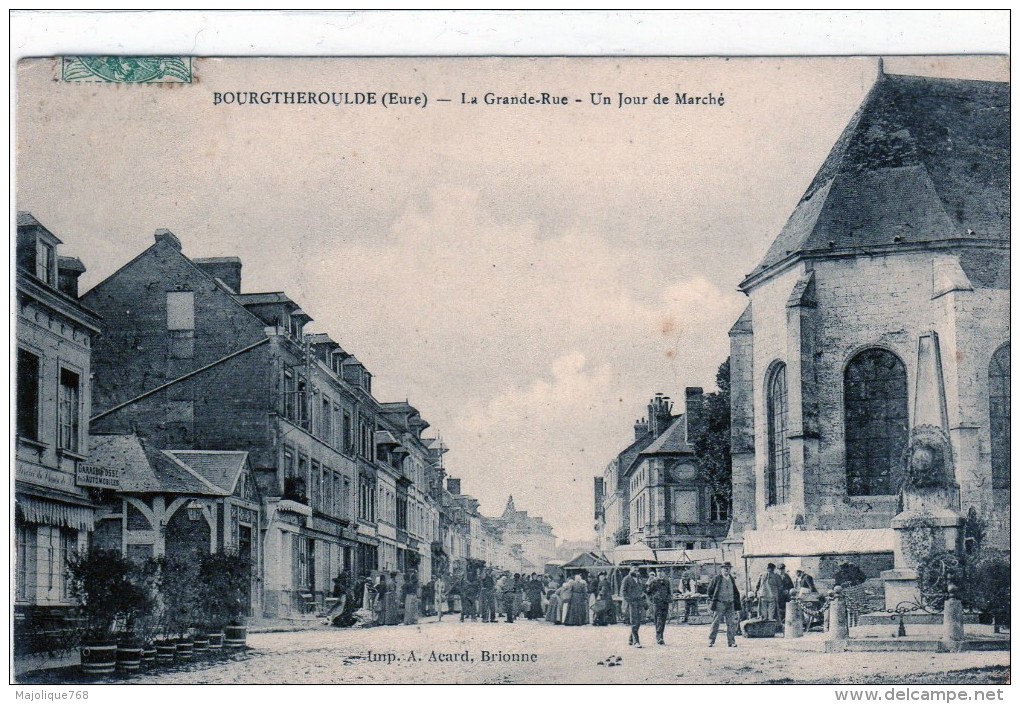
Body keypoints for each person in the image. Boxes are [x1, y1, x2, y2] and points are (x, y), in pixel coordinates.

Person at [707, 562, 742, 647]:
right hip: (720, 604)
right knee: (716, 622)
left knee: (731, 623)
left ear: (730, 569)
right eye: (724, 568)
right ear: (721, 569)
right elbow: (709, 590)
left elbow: (735, 591)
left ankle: (731, 642)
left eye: (728, 568)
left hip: (730, 604)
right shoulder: (717, 578)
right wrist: (715, 600)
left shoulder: (731, 579)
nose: (726, 569)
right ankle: (711, 641)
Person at [645, 569, 672, 645]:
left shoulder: (667, 581)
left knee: (663, 620)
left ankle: (660, 637)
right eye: (658, 572)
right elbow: (648, 591)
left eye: (661, 571)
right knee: (658, 619)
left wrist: (669, 599)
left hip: (665, 603)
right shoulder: (654, 581)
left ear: (664, 572)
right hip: (657, 603)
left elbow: (669, 592)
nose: (660, 573)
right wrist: (652, 599)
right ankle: (659, 638)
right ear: (657, 573)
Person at [621, 567, 645, 647]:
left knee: (638, 622)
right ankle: (636, 642)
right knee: (634, 621)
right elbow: (623, 592)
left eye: (637, 570)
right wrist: (629, 601)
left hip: (638, 602)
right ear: (630, 570)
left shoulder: (639, 579)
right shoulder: (626, 579)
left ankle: (631, 639)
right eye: (634, 570)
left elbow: (641, 589)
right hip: (631, 603)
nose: (636, 571)